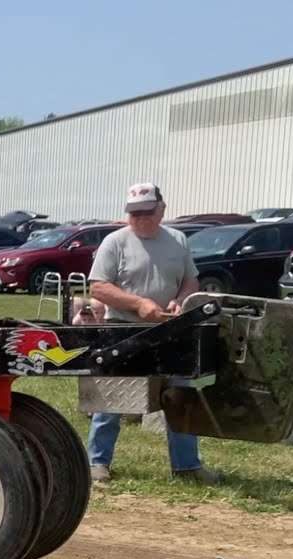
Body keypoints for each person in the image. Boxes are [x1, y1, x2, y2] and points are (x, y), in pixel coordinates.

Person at [85, 183, 225, 485]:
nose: (141, 219)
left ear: (161, 210)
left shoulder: (177, 240)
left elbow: (191, 280)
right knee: (111, 398)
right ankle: (97, 464)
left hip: (171, 329)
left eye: (147, 212)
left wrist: (180, 300)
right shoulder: (115, 242)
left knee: (181, 396)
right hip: (123, 329)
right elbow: (97, 287)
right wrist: (139, 304)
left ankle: (187, 466)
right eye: (134, 214)